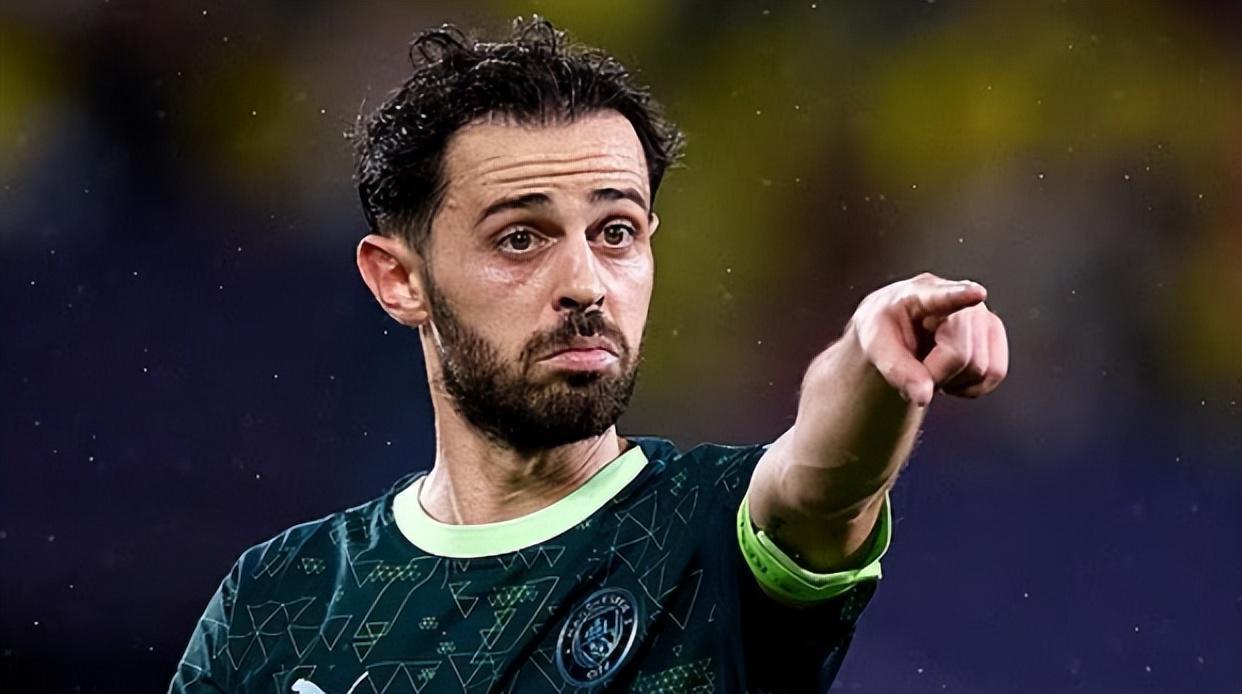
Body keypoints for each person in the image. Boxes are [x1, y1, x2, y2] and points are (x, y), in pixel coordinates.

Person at [170, 16, 1008, 694]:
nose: (585, 284)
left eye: (615, 233)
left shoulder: (708, 532)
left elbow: (820, 482)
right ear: (401, 280)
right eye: (521, 237)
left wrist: (872, 353)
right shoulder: (278, 602)